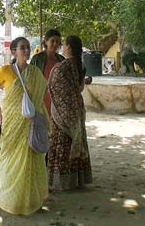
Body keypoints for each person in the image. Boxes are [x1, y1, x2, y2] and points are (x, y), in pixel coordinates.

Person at [0, 37, 49, 215]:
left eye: (27, 47)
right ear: (14, 51)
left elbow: (41, 93)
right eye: (22, 48)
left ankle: (31, 201)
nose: (26, 51)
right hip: (12, 124)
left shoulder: (35, 73)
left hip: (30, 125)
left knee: (31, 160)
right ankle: (9, 200)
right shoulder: (5, 71)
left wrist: (37, 113)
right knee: (9, 160)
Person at [48, 35, 93, 191]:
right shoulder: (79, 65)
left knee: (63, 143)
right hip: (76, 108)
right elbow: (79, 88)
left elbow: (54, 86)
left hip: (63, 110)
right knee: (77, 139)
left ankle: (63, 183)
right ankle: (77, 180)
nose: (61, 46)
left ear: (68, 47)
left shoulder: (63, 66)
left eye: (63, 44)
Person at [30, 29, 64, 116]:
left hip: (58, 101)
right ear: (46, 42)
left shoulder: (61, 60)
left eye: (57, 42)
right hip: (41, 100)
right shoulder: (37, 59)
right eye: (52, 41)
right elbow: (30, 80)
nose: (55, 44)